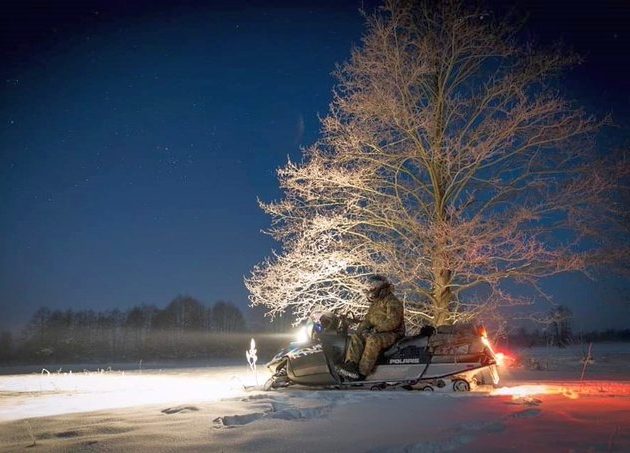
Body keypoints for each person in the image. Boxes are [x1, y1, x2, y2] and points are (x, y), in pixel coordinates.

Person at [337, 275, 405, 381]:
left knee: (373, 340)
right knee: (356, 337)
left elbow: (393, 321)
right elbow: (368, 321)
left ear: (383, 286)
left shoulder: (392, 301)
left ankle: (362, 373)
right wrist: (361, 331)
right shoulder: (375, 304)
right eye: (371, 285)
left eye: (375, 285)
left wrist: (376, 330)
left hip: (393, 334)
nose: (372, 288)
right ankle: (351, 366)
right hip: (377, 332)